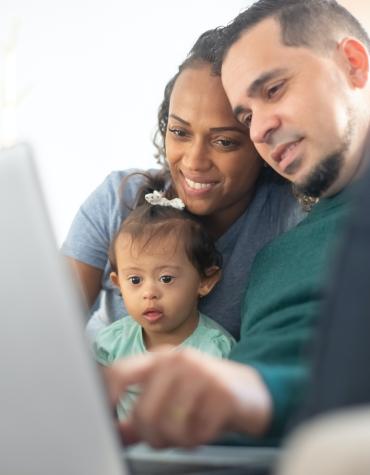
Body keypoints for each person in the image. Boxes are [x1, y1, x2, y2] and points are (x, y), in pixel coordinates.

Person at [101, 0, 370, 449]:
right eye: (246, 117)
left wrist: (258, 393)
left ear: (353, 64)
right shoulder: (279, 257)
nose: (260, 128)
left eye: (274, 90)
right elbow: (271, 368)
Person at [62, 28, 302, 342]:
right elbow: (48, 329)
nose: (194, 161)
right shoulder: (117, 199)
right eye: (180, 132)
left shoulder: (290, 219)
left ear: (262, 141)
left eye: (224, 141)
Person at [93, 177, 235, 420]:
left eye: (166, 278)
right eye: (135, 281)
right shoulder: (111, 343)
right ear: (119, 284)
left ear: (205, 281)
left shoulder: (217, 350)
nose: (150, 293)